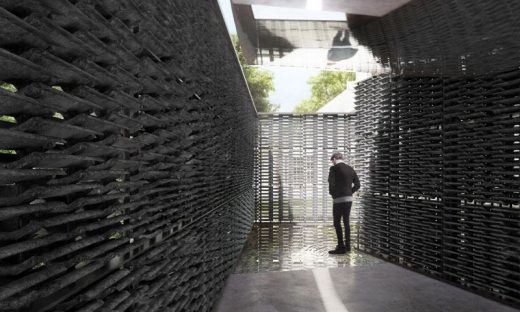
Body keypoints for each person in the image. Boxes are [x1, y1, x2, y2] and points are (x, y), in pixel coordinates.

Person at [328, 152, 360, 254]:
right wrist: (350, 192)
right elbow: (358, 184)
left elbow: (331, 184)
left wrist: (333, 194)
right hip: (348, 199)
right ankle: (348, 246)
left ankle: (341, 247)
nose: (332, 162)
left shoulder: (333, 169)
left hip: (338, 199)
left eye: (332, 160)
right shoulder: (350, 169)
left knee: (337, 222)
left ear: (334, 159)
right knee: (346, 222)